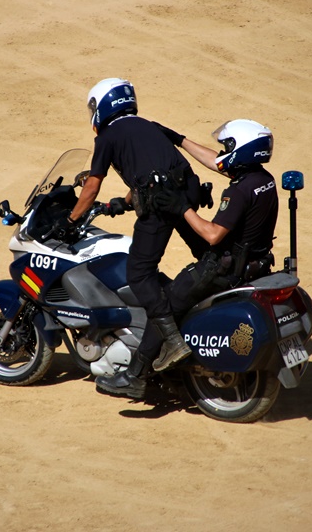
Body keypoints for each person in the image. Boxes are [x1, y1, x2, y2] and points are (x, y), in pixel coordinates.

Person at [63, 78, 211, 400]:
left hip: (159, 204)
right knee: (205, 253)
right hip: (183, 192)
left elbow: (91, 186)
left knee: (139, 272)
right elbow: (152, 169)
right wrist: (124, 201)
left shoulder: (108, 136)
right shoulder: (146, 126)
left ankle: (171, 341)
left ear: (102, 106)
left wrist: (71, 219)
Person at [154, 119, 279, 320]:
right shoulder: (264, 179)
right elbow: (217, 162)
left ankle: (167, 348)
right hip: (252, 262)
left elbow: (213, 235)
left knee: (166, 305)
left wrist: (182, 207)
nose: (222, 152)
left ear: (242, 150)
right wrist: (179, 139)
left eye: (227, 147)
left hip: (226, 269)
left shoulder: (239, 190)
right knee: (185, 225)